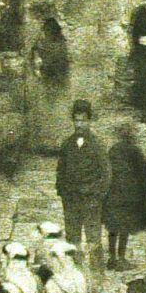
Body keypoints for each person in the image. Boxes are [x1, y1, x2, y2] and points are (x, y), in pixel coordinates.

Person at [56, 100, 111, 272]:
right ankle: (76, 272)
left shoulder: (97, 145)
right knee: (73, 238)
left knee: (93, 239)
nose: (79, 124)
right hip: (71, 200)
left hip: (91, 200)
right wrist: (63, 192)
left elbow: (106, 174)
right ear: (73, 121)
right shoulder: (67, 145)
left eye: (83, 120)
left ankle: (97, 274)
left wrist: (97, 195)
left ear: (89, 121)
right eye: (77, 120)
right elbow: (61, 171)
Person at [103, 122, 146, 269]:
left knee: (113, 227)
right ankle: (121, 258)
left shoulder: (113, 150)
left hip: (113, 195)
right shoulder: (135, 151)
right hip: (129, 196)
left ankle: (112, 258)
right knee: (124, 228)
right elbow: (144, 174)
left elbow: (106, 171)